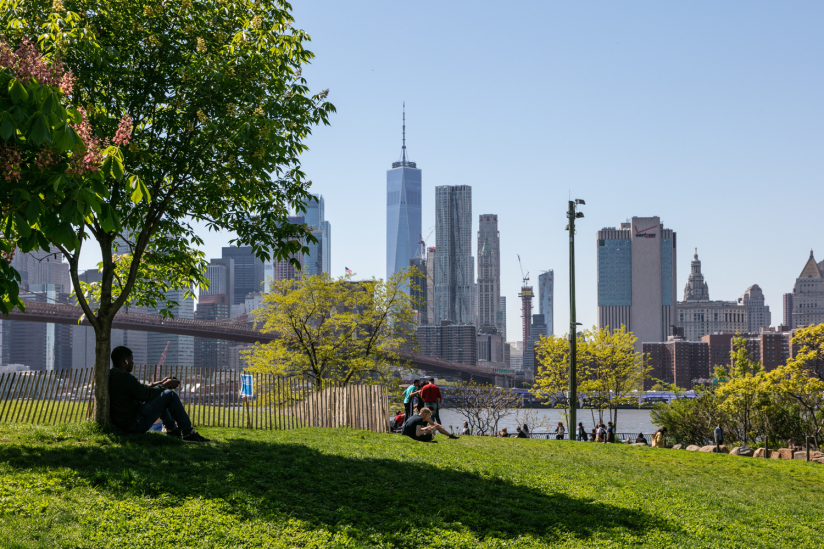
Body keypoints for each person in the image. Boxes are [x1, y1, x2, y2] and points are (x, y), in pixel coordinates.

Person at [108, 346, 209, 442]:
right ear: (125, 360)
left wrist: (161, 383)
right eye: (131, 359)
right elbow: (146, 394)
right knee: (169, 394)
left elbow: (140, 389)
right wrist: (166, 385)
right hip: (134, 424)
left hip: (126, 423)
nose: (133, 363)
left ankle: (171, 430)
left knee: (160, 397)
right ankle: (188, 433)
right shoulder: (124, 377)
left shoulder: (114, 375)